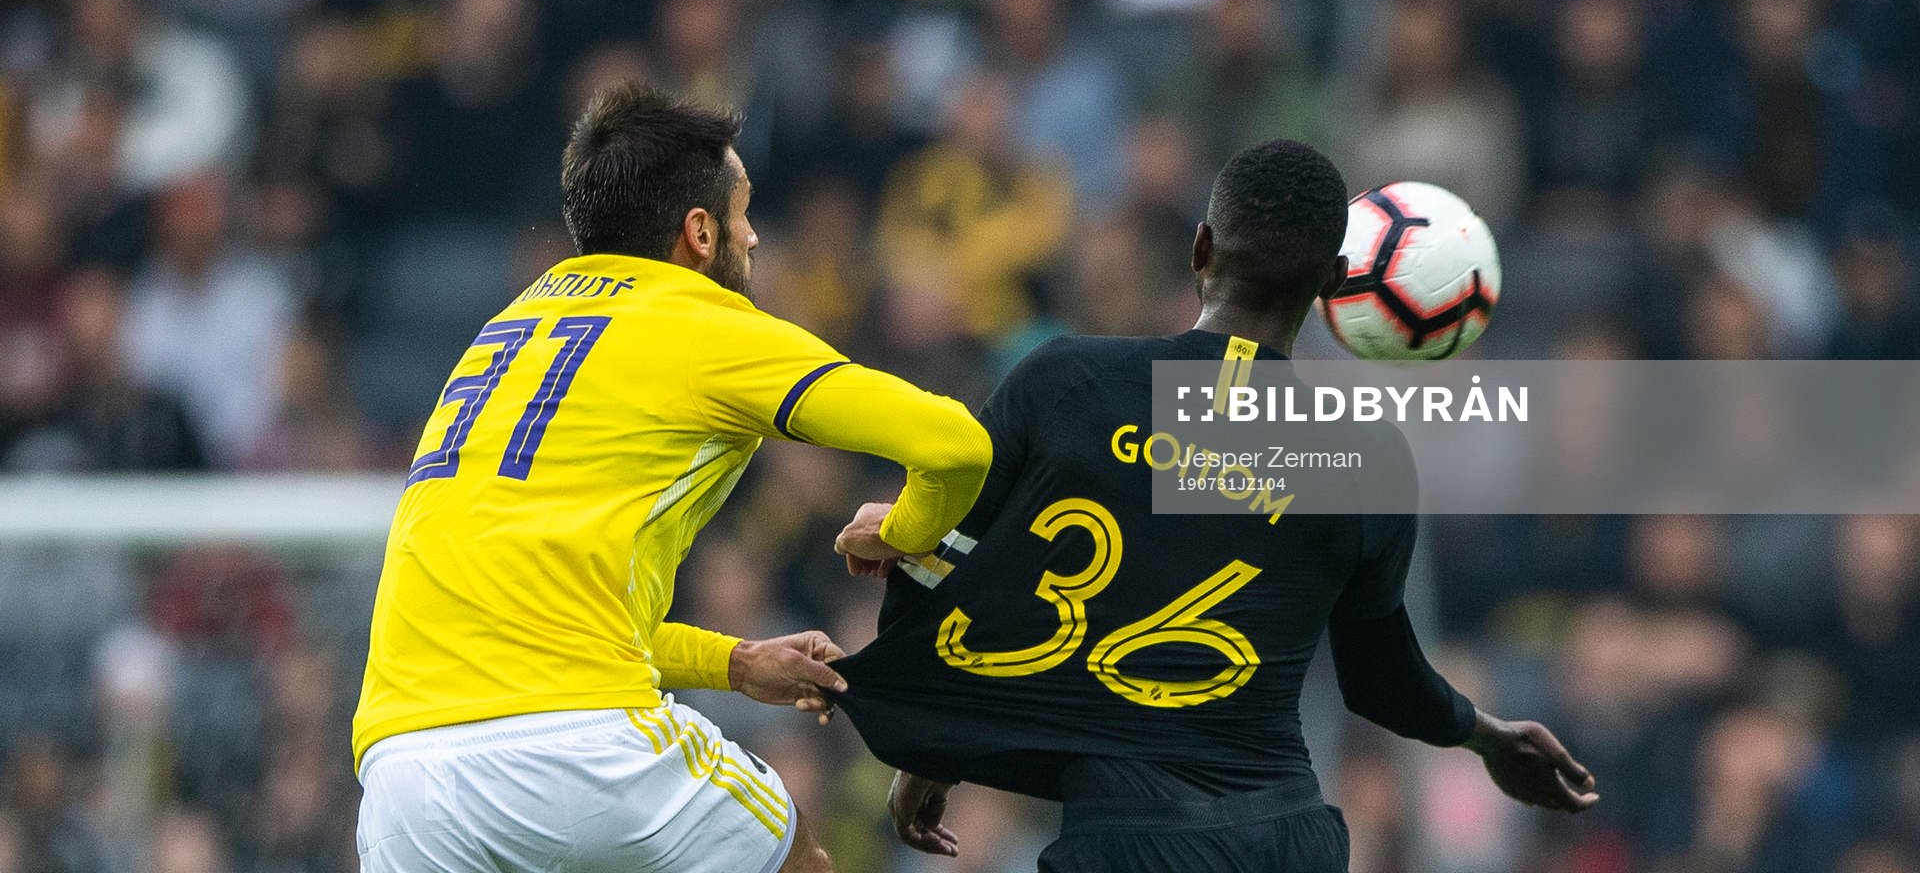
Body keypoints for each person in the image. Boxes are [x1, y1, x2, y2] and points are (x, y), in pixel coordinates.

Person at [829, 139, 1598, 872]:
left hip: (1128, 844)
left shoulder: (1064, 382)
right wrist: (1488, 735)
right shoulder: (1367, 457)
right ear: (1333, 284)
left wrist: (933, 745)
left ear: (1200, 249)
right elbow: (1380, 679)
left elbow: (949, 567)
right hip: (1287, 840)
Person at [352, 83, 993, 872]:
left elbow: (553, 625)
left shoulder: (507, 332)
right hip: (581, 745)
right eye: (743, 211)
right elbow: (957, 444)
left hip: (404, 774)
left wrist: (733, 662)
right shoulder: (704, 323)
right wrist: (900, 533)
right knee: (802, 862)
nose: (753, 237)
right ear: (698, 231)